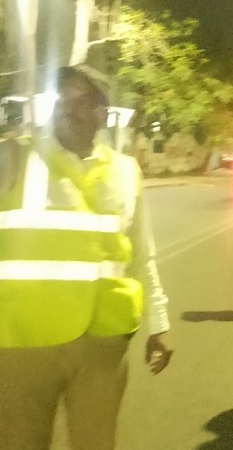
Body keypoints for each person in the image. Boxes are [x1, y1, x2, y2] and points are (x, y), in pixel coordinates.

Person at [0, 63, 172, 450]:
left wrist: (158, 323)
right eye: (62, 97)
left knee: (97, 443)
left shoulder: (125, 172)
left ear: (102, 113)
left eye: (81, 99)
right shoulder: (15, 156)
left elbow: (141, 253)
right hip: (25, 342)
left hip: (103, 342)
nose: (67, 106)